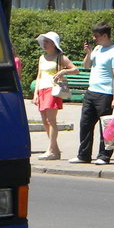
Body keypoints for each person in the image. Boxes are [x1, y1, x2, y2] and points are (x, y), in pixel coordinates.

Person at [70, 21, 114, 165]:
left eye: (97, 36)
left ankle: (104, 156)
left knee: (106, 127)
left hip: (105, 94)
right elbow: (87, 66)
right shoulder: (97, 49)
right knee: (85, 124)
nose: (94, 38)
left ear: (105, 35)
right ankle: (83, 155)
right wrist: (88, 53)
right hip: (91, 92)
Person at [32, 31, 77, 160]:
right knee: (45, 121)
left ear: (54, 43)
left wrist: (63, 71)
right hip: (41, 90)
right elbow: (39, 76)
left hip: (53, 90)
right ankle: (55, 150)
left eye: (48, 41)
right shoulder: (42, 57)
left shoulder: (60, 57)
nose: (45, 44)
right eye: (44, 41)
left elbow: (75, 69)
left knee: (51, 121)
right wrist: (35, 93)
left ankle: (51, 149)